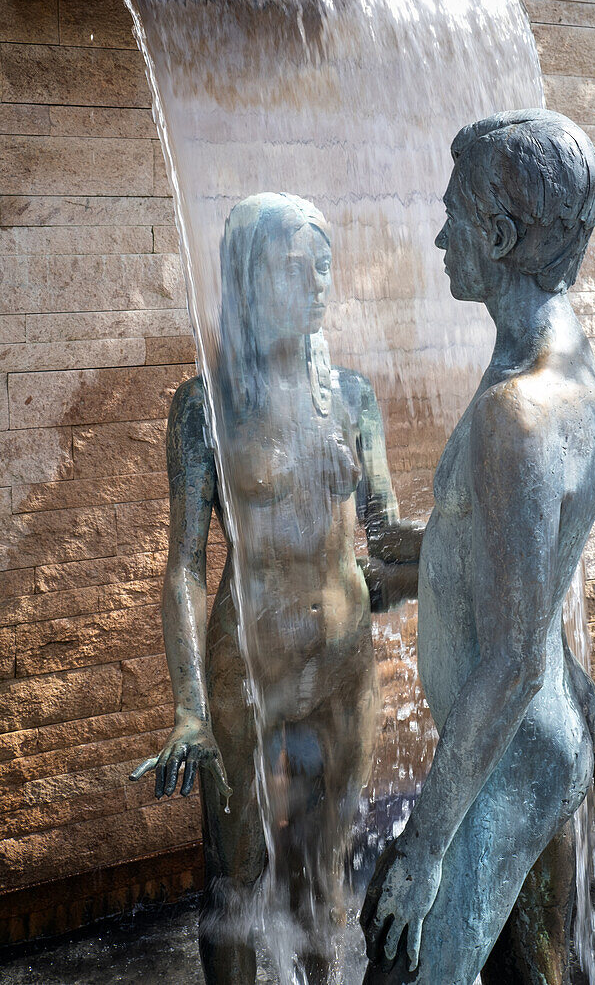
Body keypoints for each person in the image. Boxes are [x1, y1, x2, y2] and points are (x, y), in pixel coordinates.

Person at [131, 192, 422, 985]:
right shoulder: (206, 409)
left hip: (342, 670)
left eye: (322, 265)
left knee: (323, 885)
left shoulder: (354, 399)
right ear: (249, 282)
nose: (316, 283)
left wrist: (455, 539)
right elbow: (185, 565)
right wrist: (188, 702)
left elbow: (386, 541)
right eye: (294, 268)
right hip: (244, 674)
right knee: (233, 884)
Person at [361, 110, 595, 985]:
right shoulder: (550, 362)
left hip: (513, 751)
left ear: (498, 234)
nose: (437, 236)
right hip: (533, 734)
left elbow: (508, 661)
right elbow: (518, 548)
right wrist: (411, 554)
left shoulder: (522, 414)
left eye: (452, 215)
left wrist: (426, 849)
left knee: (420, 967)